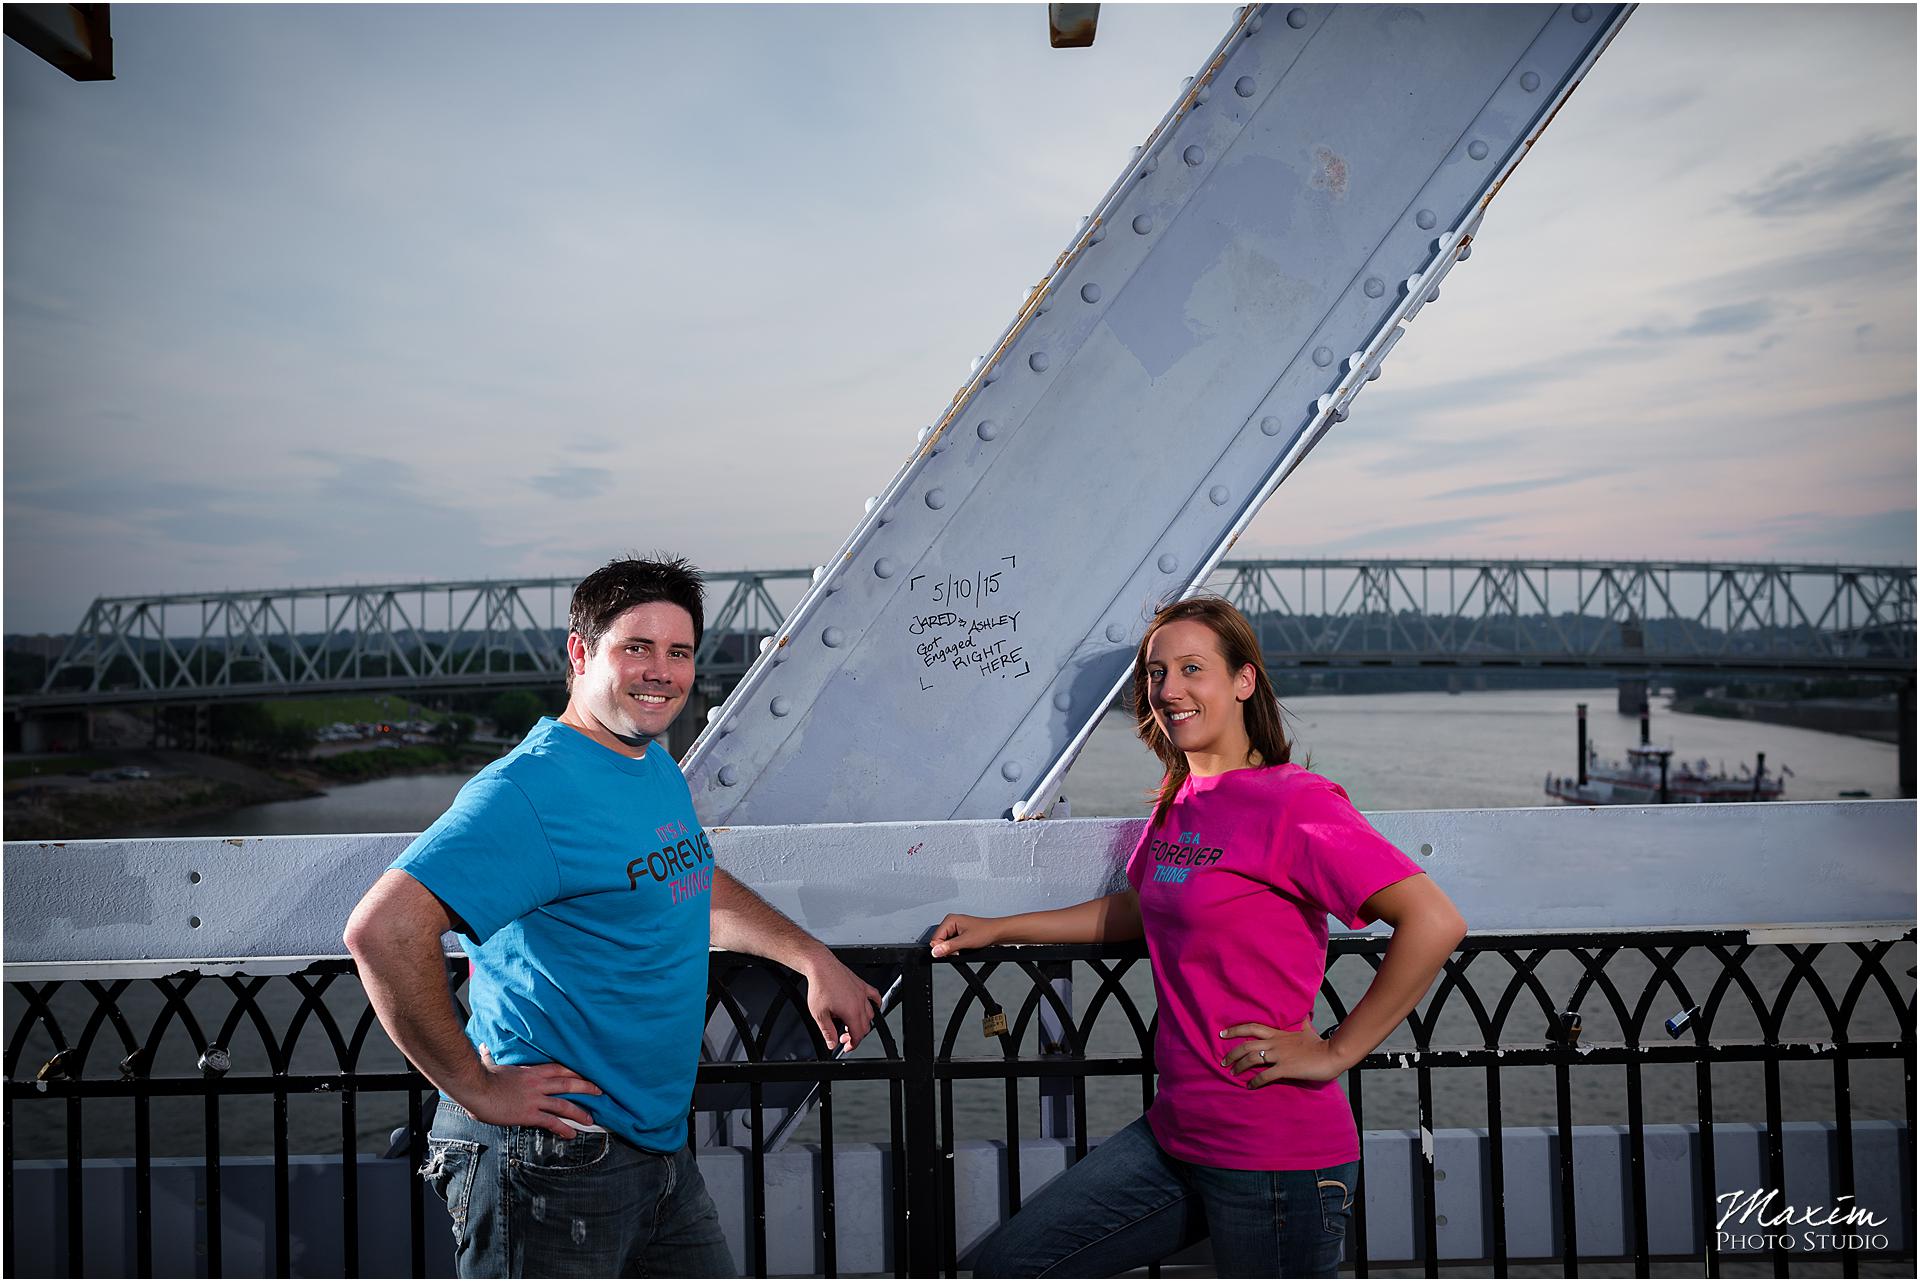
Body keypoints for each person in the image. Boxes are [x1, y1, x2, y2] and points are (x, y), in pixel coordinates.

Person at [344, 555, 881, 1278]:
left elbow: (688, 884)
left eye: (679, 652)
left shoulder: (651, 766)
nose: (662, 671)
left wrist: (810, 957)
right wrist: (474, 1085)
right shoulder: (530, 791)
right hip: (555, 1160)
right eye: (637, 648)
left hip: (655, 1151)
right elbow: (383, 929)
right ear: (580, 653)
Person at [930, 596, 1467, 1278]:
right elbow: (1144, 910)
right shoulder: (1179, 799)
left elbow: (1435, 919)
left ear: (1244, 681)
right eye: (1156, 673)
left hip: (1275, 1157)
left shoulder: (1294, 802)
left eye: (1192, 669)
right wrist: (1001, 929)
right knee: (1014, 1264)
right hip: (1178, 1135)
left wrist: (1336, 1051)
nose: (1169, 690)